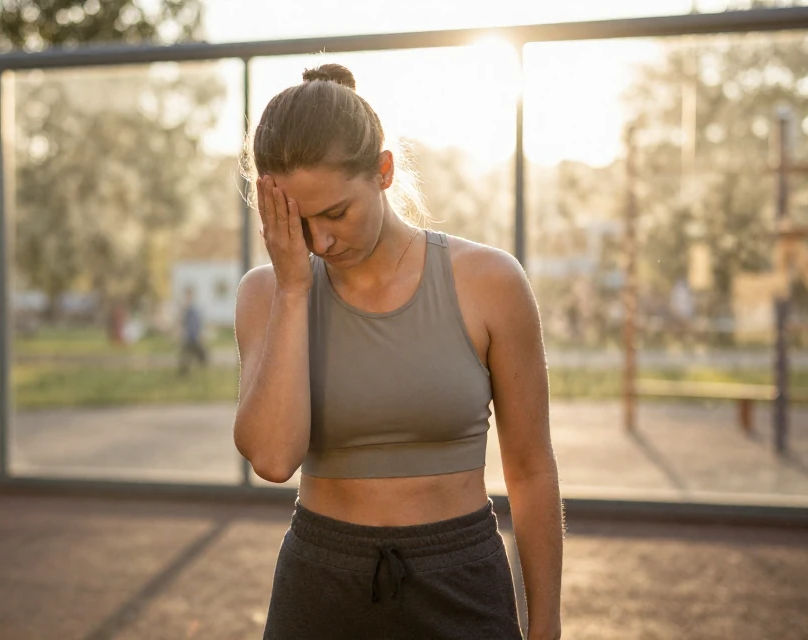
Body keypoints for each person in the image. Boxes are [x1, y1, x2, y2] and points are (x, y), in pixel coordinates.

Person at [234, 63, 562, 640]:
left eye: (336, 212)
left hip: (460, 578)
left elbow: (531, 469)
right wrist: (292, 289)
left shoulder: (488, 282)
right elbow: (273, 459)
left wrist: (547, 627)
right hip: (319, 583)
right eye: (299, 221)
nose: (322, 241)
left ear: (383, 171)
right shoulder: (266, 294)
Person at [178, 287, 207, 375]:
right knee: (186, 356)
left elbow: (198, 322)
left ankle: (202, 368)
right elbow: (182, 322)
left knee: (201, 354)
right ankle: (183, 372)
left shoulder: (195, 309)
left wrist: (200, 333)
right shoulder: (185, 309)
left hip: (194, 336)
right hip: (188, 336)